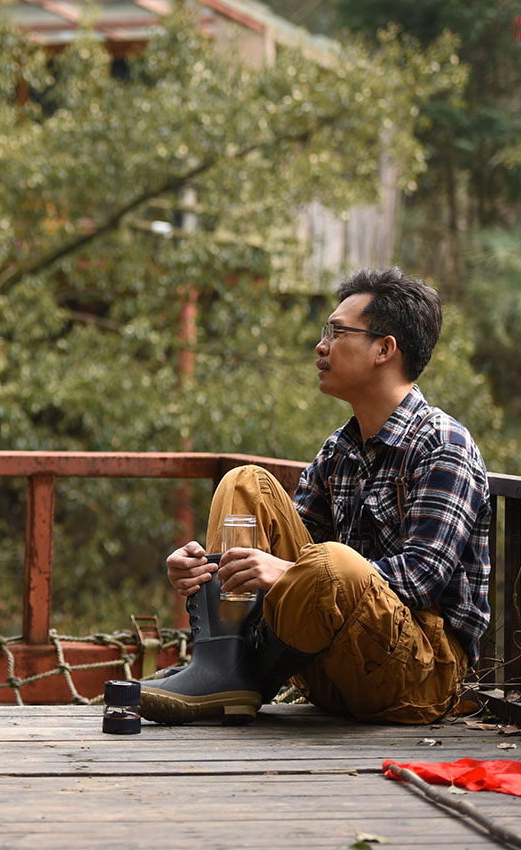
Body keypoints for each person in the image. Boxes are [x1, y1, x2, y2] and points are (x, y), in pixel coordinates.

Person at [142, 266, 491, 726]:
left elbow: (420, 578)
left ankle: (232, 675)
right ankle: (221, 664)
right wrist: (204, 571)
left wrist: (289, 572)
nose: (321, 346)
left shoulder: (444, 445)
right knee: (246, 482)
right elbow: (287, 553)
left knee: (334, 561)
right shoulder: (341, 448)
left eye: (337, 332)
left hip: (417, 675)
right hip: (331, 664)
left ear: (385, 350)